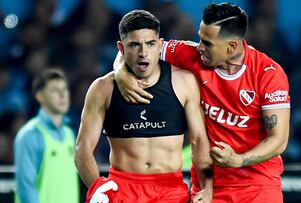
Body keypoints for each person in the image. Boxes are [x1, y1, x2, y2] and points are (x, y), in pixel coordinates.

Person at [114, 3, 291, 203]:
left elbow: (279, 140)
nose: (199, 47)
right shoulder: (191, 55)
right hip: (209, 187)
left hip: (259, 185)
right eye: (199, 38)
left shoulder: (267, 74)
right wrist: (121, 73)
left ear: (231, 46)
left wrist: (239, 160)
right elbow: (136, 48)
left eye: (207, 43)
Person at [75, 10, 213, 203]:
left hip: (170, 192)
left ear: (160, 45)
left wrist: (206, 188)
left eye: (150, 44)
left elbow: (199, 141)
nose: (143, 53)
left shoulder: (184, 82)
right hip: (121, 190)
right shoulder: (102, 89)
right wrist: (98, 187)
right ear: (121, 49)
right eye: (134, 45)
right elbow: (82, 149)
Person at [14, 68, 79, 203]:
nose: (62, 95)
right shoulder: (30, 135)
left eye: (65, 89)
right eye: (55, 90)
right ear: (40, 96)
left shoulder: (70, 134)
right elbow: (25, 186)